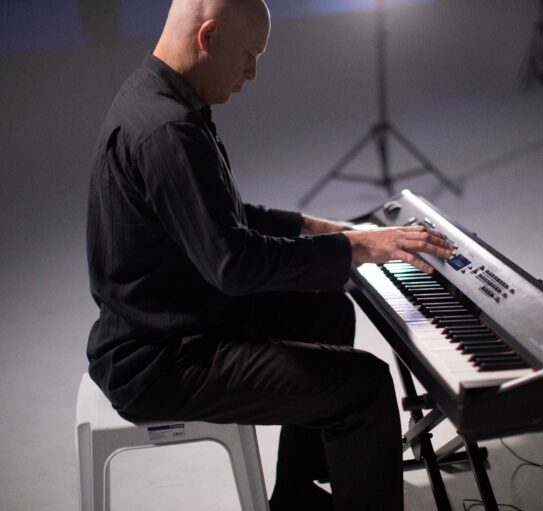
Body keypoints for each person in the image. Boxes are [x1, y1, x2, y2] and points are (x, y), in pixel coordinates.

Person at [85, 1, 453, 510]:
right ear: (208, 37)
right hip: (161, 358)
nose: (253, 73)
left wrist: (312, 228)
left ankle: (298, 496)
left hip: (178, 318)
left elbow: (220, 217)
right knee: (364, 386)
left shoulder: (158, 96)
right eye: (250, 54)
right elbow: (233, 265)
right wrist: (358, 247)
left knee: (326, 309)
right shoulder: (167, 131)